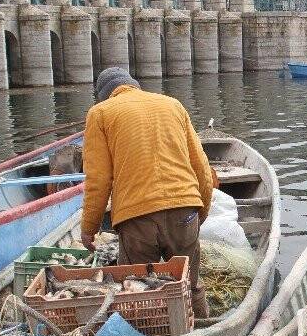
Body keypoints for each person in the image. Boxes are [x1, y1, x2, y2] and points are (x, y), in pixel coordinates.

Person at [80, 67, 213, 318]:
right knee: (189, 283)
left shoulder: (100, 113)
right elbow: (202, 168)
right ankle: (202, 326)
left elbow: (98, 180)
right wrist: (200, 211)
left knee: (138, 292)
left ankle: (150, 333)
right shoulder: (173, 105)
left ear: (104, 96)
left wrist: (89, 228)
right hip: (184, 209)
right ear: (135, 85)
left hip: (136, 218)